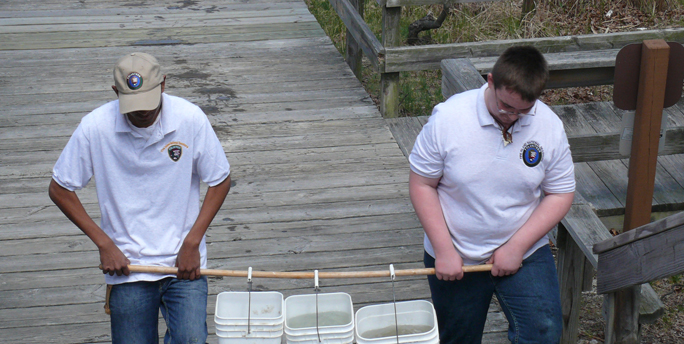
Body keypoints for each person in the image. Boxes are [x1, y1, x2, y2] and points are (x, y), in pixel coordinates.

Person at [48, 52, 231, 344]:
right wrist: (105, 244)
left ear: (163, 85)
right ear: (115, 92)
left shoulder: (190, 118)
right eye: (133, 105)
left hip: (183, 263)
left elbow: (220, 180)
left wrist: (192, 242)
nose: (142, 112)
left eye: (149, 102)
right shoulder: (95, 127)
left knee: (192, 339)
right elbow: (59, 188)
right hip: (128, 267)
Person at [408, 46, 575, 344]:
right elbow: (422, 184)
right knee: (458, 338)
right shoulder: (448, 119)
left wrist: (517, 246)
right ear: (490, 81)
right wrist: (444, 250)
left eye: (523, 110)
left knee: (544, 331)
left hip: (525, 251)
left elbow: (560, 193)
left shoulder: (549, 126)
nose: (512, 117)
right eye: (505, 106)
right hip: (457, 253)